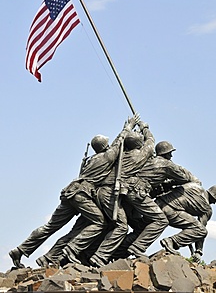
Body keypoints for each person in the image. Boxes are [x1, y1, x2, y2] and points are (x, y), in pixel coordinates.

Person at [9, 114, 140, 269]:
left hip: (70, 192)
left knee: (51, 226)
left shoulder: (91, 160)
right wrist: (128, 127)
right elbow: (119, 142)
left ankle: (21, 249)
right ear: (105, 146)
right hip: (82, 194)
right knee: (99, 222)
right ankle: (72, 250)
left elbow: (114, 145)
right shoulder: (107, 157)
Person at [60, 120, 156, 268]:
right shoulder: (139, 155)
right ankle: (98, 256)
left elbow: (117, 143)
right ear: (138, 145)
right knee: (121, 226)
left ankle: (86, 254)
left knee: (106, 225)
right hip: (109, 193)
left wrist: (128, 129)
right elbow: (151, 142)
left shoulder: (117, 156)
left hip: (98, 193)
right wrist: (145, 128)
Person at [112, 140, 201, 260]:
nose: (171, 156)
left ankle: (118, 252)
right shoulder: (167, 165)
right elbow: (183, 178)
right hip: (138, 193)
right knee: (161, 221)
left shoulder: (149, 161)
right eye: (170, 153)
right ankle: (138, 247)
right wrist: (189, 177)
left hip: (128, 191)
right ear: (166, 153)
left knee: (142, 227)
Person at [156, 182, 216, 263]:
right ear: (213, 197)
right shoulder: (207, 208)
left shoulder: (194, 186)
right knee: (201, 231)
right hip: (170, 211)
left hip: (157, 203)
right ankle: (171, 241)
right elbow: (200, 229)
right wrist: (198, 251)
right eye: (215, 201)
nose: (214, 203)